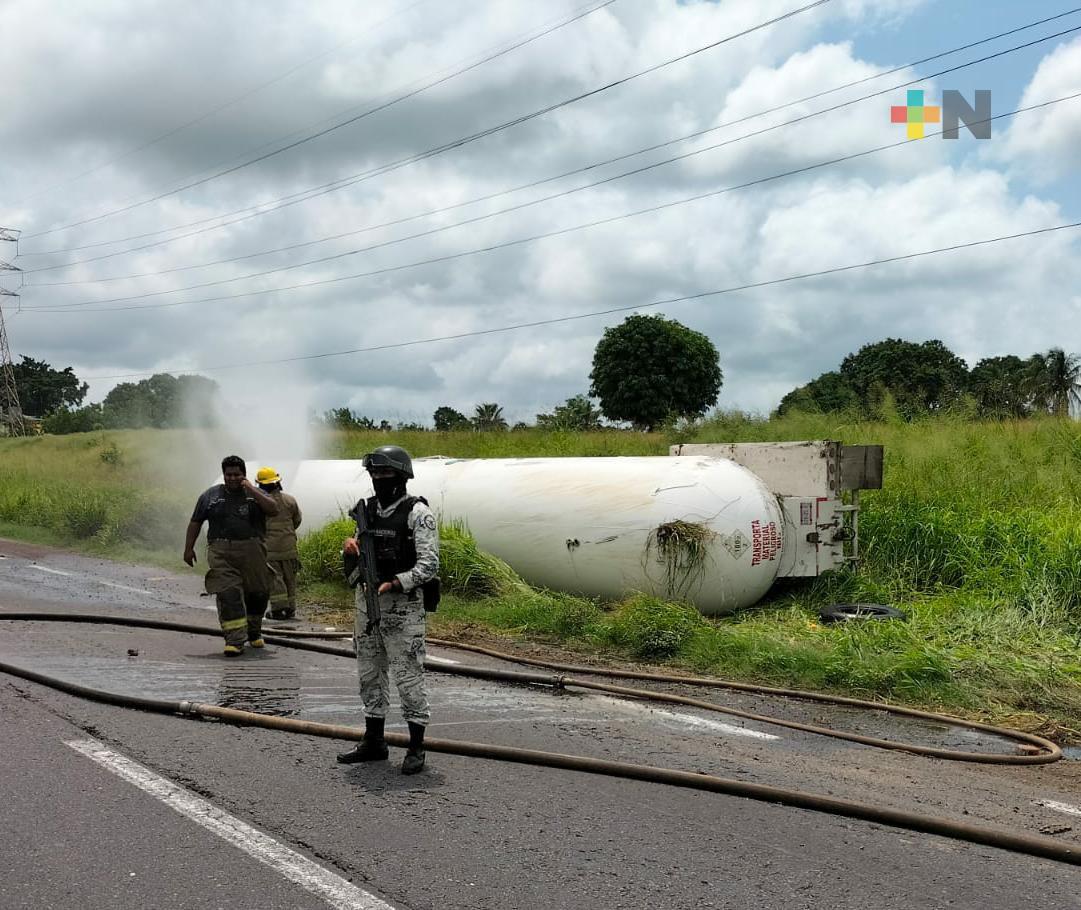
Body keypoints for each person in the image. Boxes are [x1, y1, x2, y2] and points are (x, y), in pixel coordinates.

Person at [336, 445, 439, 775]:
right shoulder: (366, 511)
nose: (378, 479)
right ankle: (375, 741)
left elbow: (429, 565)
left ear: (401, 476)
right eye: (374, 473)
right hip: (367, 605)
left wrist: (396, 583)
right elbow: (358, 557)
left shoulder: (417, 512)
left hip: (403, 608)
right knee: (369, 674)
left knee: (408, 677)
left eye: (384, 473)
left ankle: (416, 746)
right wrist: (350, 550)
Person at [184, 455, 279, 656]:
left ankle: (254, 631)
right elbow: (196, 522)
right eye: (229, 474)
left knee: (258, 592)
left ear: (244, 475)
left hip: (252, 550)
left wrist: (251, 489)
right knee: (228, 593)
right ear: (223, 475)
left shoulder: (256, 494)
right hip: (221, 551)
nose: (233, 478)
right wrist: (188, 548)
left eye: (237, 474)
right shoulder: (210, 496)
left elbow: (273, 510)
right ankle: (235, 640)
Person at [256, 466, 303, 620]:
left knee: (275, 579)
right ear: (277, 483)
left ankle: (278, 610)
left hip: (270, 549)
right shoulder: (290, 500)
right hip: (289, 547)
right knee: (290, 578)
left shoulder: (260, 503)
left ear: (261, 485)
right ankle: (291, 609)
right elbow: (297, 520)